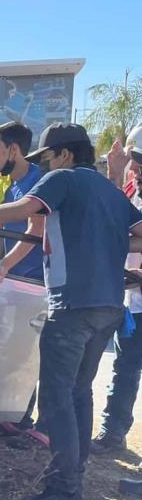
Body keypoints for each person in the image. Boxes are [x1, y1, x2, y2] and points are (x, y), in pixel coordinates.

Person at [0, 123, 142, 500]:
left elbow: (26, 210)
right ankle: (73, 475)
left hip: (72, 304)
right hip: (109, 307)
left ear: (64, 155)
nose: (43, 167)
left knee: (56, 398)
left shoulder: (62, 179)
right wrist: (105, 239)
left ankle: (65, 493)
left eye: (46, 159)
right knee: (79, 392)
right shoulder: (112, 193)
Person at [93, 143, 142, 455]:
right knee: (125, 368)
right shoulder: (132, 192)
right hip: (134, 303)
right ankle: (113, 432)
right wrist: (113, 174)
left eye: (139, 164)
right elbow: (110, 223)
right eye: (134, 163)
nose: (135, 170)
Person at [0, 122, 44, 282]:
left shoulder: (40, 180)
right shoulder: (8, 185)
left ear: (13, 150)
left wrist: (5, 264)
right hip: (12, 280)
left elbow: (37, 228)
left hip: (39, 283)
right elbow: (0, 230)